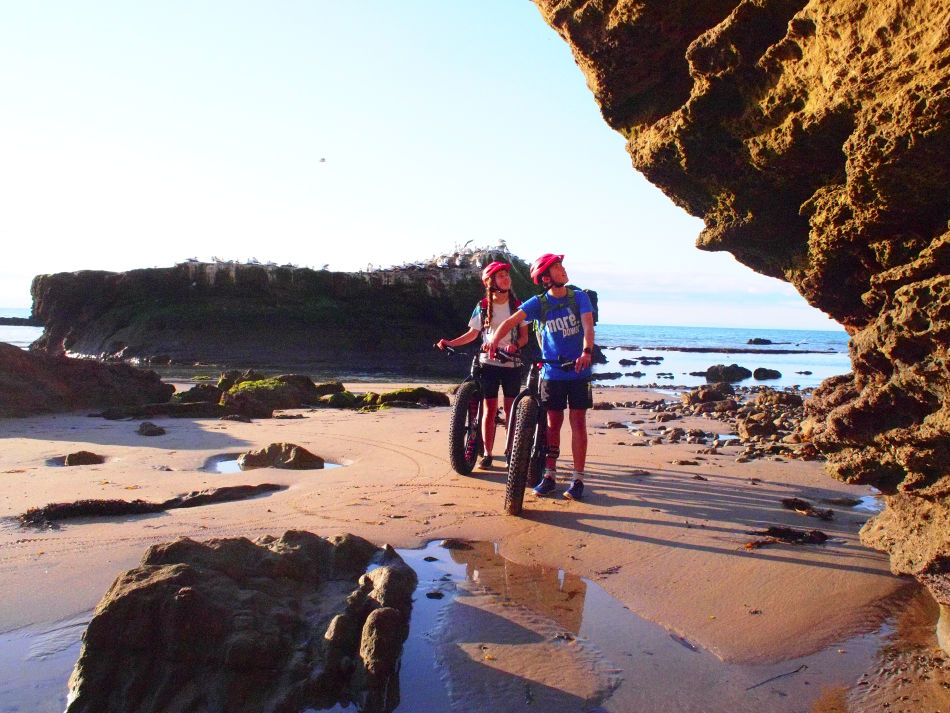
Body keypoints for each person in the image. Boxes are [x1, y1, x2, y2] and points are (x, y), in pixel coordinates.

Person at [487, 253, 594, 500]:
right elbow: (512, 321)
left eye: (562, 266)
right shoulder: (538, 303)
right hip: (552, 373)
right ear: (546, 277)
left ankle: (578, 479)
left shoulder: (579, 297)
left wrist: (587, 351)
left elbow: (588, 327)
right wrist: (494, 340)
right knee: (552, 425)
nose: (563, 270)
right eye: (558, 267)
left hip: (579, 372)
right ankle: (549, 475)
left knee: (578, 422)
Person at [436, 261, 529, 468]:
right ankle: (487, 453)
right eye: (501, 275)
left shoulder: (517, 306)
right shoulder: (483, 306)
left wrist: (515, 346)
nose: (506, 278)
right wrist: (450, 343)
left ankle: (510, 451)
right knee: (489, 408)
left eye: (507, 274)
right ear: (490, 282)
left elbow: (524, 337)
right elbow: (473, 334)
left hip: (511, 364)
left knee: (511, 409)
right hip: (487, 363)